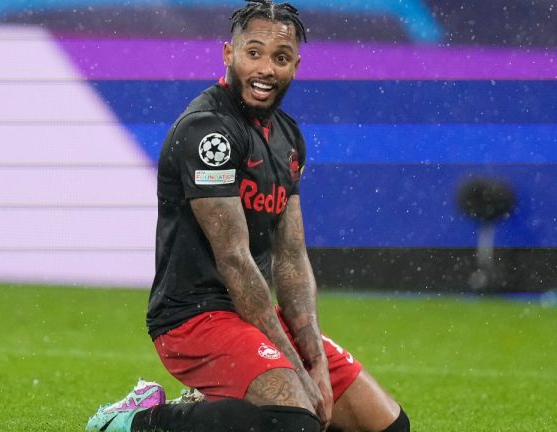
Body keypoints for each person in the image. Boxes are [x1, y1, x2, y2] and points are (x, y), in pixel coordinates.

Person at [87, 1, 409, 431]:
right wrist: (295, 368)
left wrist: (314, 361)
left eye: (280, 58)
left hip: (253, 314)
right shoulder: (208, 131)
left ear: (295, 65)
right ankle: (137, 421)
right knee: (292, 422)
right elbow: (235, 258)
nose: (266, 69)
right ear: (228, 54)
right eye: (253, 53)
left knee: (389, 427)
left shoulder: (288, 136)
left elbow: (291, 258)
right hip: (193, 316)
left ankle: (220, 402)